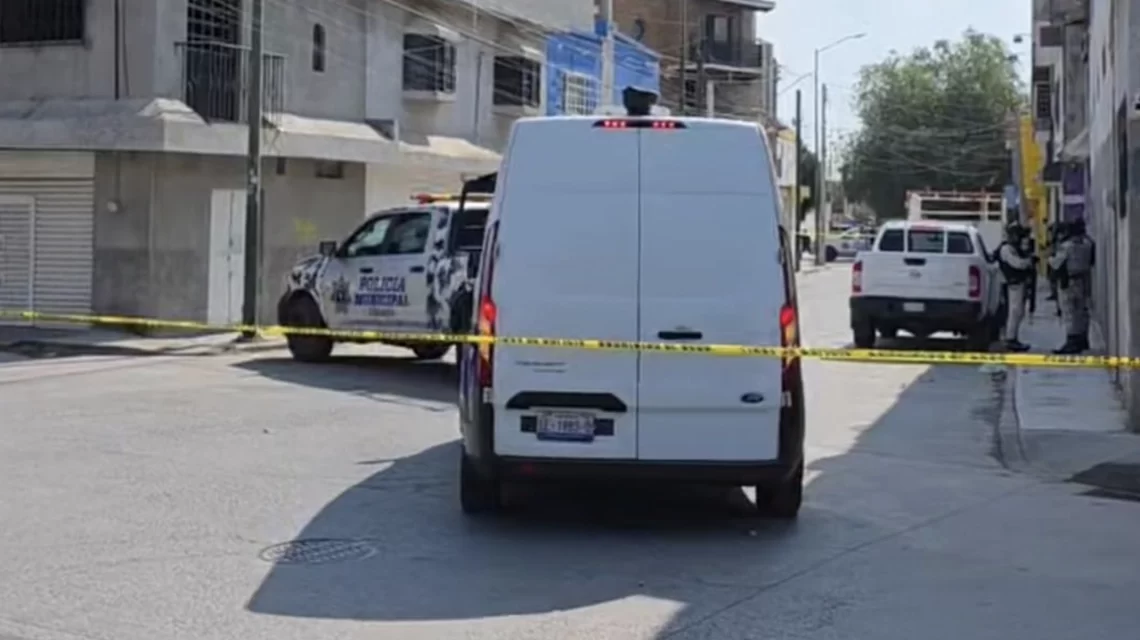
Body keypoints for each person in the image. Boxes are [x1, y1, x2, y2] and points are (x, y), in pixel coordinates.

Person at [1048, 218, 1095, 354]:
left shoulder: (1066, 246)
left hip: (1069, 281)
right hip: (1084, 280)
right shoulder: (1088, 244)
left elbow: (1056, 263)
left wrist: (1049, 257)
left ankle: (1071, 341)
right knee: (1082, 311)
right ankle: (1082, 339)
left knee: (1069, 311)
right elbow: (1092, 261)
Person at [994, 222, 1036, 352]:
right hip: (1012, 284)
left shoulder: (1014, 248)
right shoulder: (1006, 249)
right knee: (1014, 311)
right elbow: (1017, 264)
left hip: (1018, 283)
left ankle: (1013, 337)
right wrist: (1029, 261)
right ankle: (1010, 339)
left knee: (1019, 312)